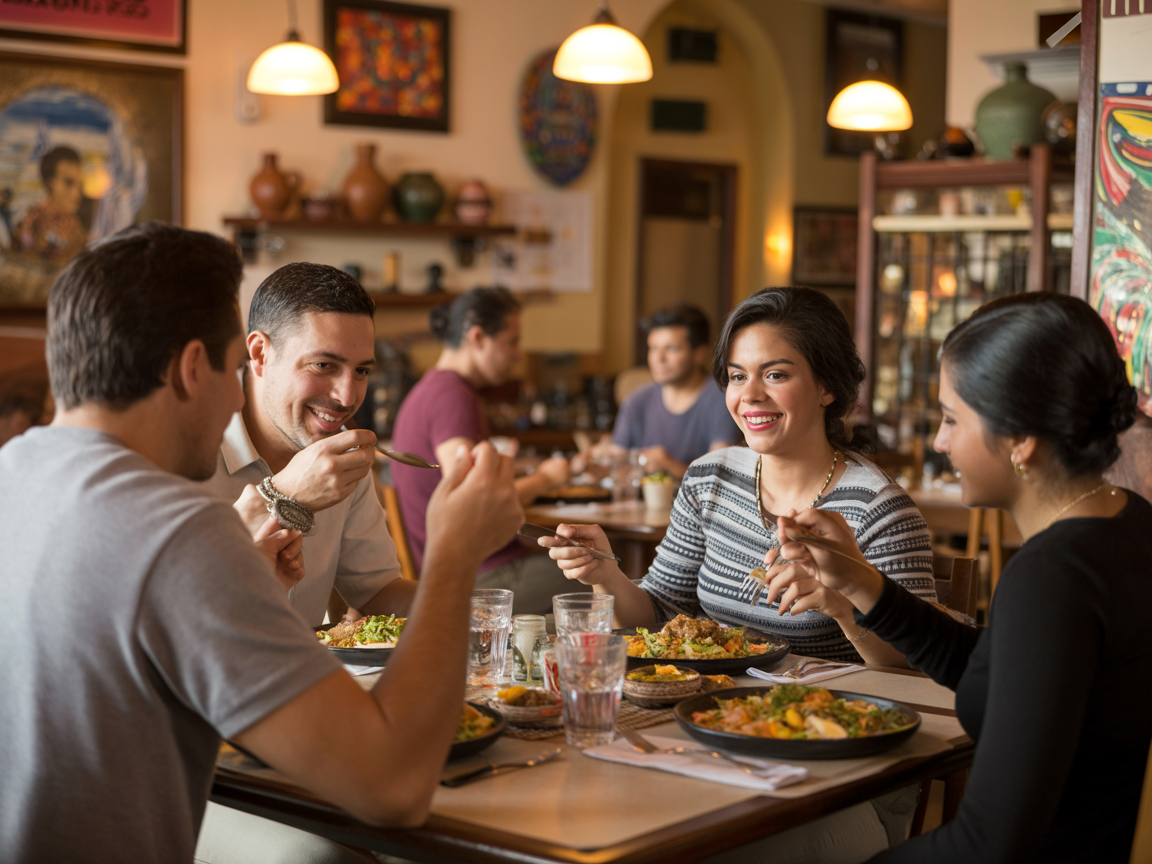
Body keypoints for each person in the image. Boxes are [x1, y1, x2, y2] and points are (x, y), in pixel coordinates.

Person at [0, 222, 524, 863]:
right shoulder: (179, 530)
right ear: (199, 366)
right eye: (230, 367)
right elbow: (393, 789)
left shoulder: (13, 472)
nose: (231, 400)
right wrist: (452, 555)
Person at [771, 292, 1152, 862]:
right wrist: (859, 583)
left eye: (952, 419)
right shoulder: (1128, 519)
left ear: (1021, 438)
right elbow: (1006, 675)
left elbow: (989, 844)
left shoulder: (1052, 576)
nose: (939, 441)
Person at [543, 287, 936, 664]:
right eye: (736, 376)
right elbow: (658, 615)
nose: (749, 395)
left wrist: (844, 606)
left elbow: (918, 659)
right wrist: (606, 574)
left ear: (828, 386)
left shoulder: (878, 509)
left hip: (827, 717)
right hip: (713, 709)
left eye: (775, 375)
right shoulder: (709, 478)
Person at [200, 262, 416, 619]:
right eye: (323, 365)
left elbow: (377, 590)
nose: (347, 398)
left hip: (308, 672)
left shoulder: (344, 453)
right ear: (260, 355)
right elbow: (165, 600)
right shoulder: (186, 442)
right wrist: (284, 496)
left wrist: (481, 612)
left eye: (361, 370)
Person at [391, 287, 581, 614]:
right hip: (476, 577)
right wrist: (546, 477)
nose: (519, 354)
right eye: (512, 341)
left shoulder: (432, 388)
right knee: (599, 580)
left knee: (574, 564)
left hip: (458, 568)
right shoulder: (453, 397)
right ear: (478, 337)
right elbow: (472, 499)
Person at [606, 303, 740, 478]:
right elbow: (615, 466)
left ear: (699, 354)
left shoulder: (724, 400)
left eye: (671, 348)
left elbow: (721, 477)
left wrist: (669, 465)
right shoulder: (636, 400)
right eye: (653, 348)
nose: (658, 358)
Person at [13, 145, 87, 264]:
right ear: (50, 183)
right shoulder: (33, 222)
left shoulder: (75, 226)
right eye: (68, 183)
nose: (76, 194)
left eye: (79, 185)